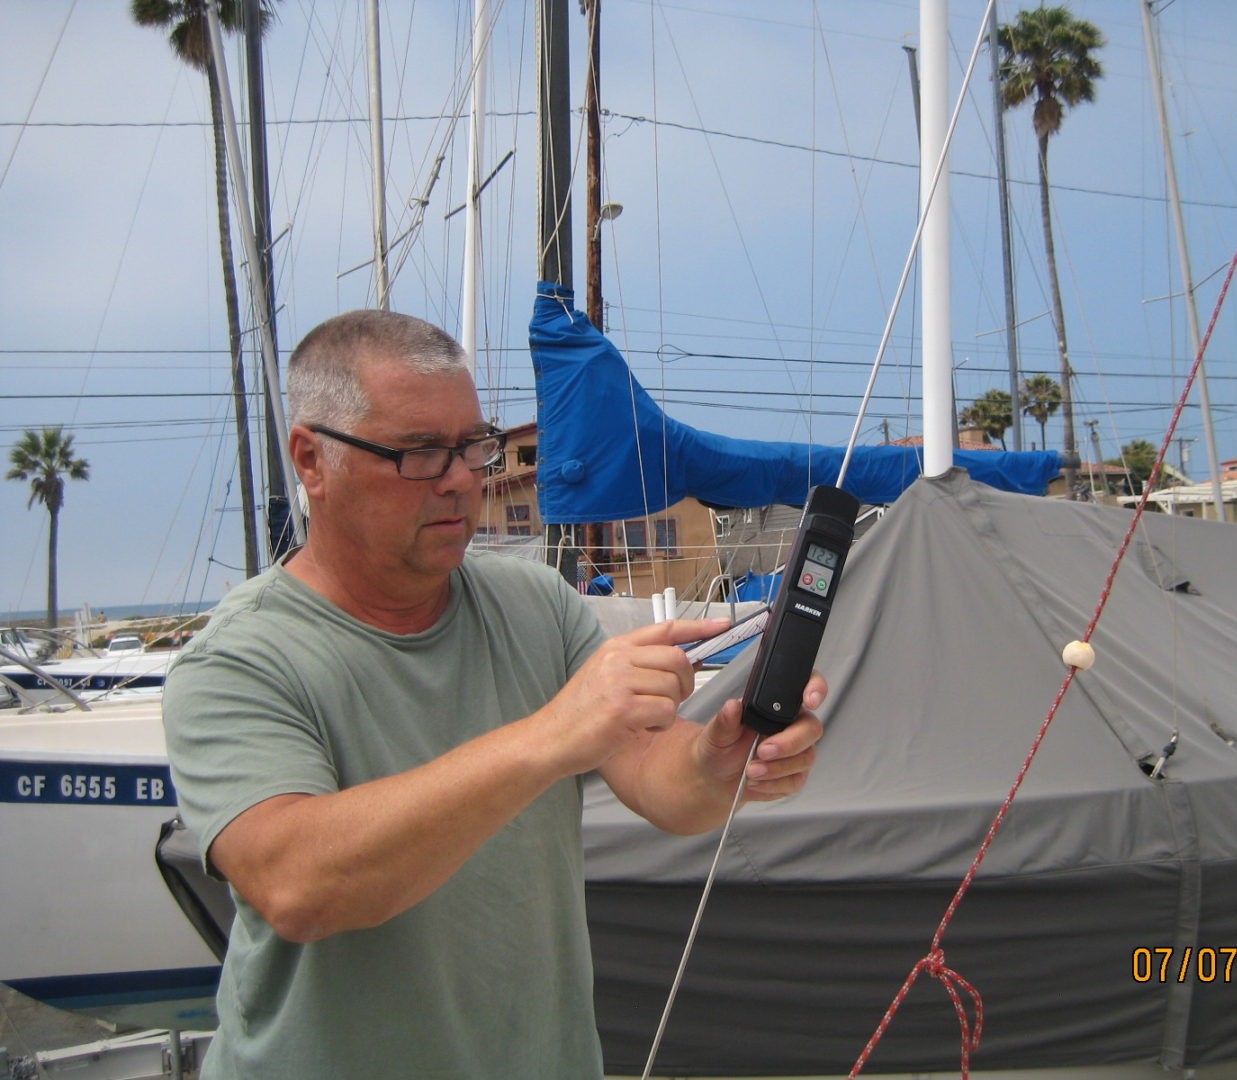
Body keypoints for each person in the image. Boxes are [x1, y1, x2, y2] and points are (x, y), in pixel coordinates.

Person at [162, 309, 826, 1079]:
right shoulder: (237, 660)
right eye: (418, 453)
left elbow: (661, 783)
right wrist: (550, 737)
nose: (460, 481)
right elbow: (299, 885)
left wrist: (723, 762)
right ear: (312, 461)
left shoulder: (535, 604)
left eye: (473, 446)